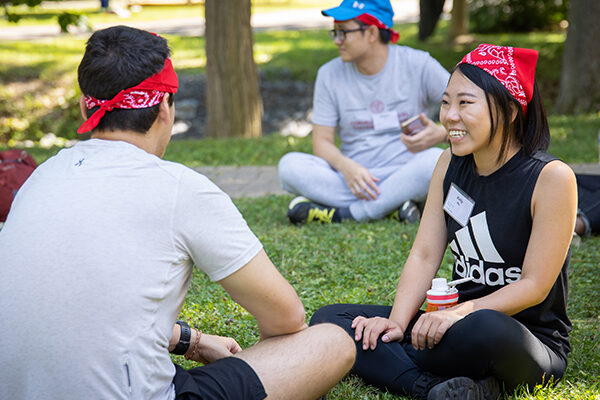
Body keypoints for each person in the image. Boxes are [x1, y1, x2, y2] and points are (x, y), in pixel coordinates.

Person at [0, 26, 355, 400]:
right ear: (165, 109)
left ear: (85, 105)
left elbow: (69, 308)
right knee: (331, 341)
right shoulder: (180, 189)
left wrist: (192, 341)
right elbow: (286, 318)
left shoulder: (41, 178)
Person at [310, 43, 577, 399]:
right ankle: (435, 387)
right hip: (446, 325)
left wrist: (458, 315)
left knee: (484, 329)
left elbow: (535, 285)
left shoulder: (551, 178)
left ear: (511, 110)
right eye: (446, 102)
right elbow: (424, 253)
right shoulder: (448, 165)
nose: (449, 116)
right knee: (330, 320)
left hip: (521, 339)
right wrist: (398, 323)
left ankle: (406, 365)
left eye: (465, 103)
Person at [278, 0, 450, 224]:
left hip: (406, 171)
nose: (337, 41)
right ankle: (393, 205)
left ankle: (347, 214)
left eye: (343, 33)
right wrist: (347, 168)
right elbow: (321, 142)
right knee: (289, 166)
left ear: (371, 32)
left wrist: (441, 133)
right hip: (353, 180)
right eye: (335, 33)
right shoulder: (329, 74)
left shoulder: (418, 64)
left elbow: (467, 110)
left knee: (435, 161)